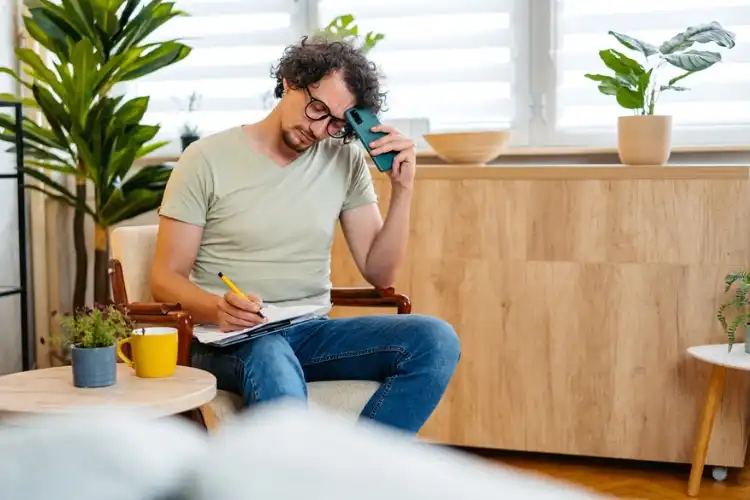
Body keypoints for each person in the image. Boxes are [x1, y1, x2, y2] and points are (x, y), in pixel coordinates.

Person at [150, 36, 460, 434]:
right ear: (289, 81)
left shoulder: (344, 158)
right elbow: (165, 278)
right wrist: (217, 308)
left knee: (435, 341)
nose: (319, 128)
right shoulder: (205, 159)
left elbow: (381, 273)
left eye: (336, 122)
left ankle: (349, 476)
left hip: (310, 330)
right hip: (228, 339)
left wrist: (403, 190)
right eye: (317, 109)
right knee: (270, 353)